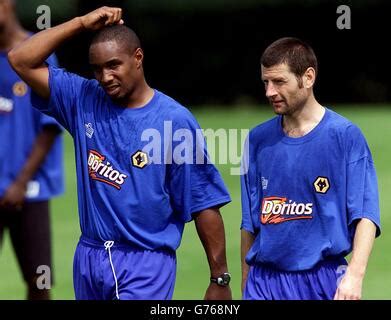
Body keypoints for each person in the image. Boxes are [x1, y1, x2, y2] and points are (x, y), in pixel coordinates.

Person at [8, 6, 232, 300]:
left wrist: (219, 278)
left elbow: (204, 201)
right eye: (97, 68)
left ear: (137, 58)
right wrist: (80, 23)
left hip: (145, 263)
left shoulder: (173, 121)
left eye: (114, 65)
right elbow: (20, 59)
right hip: (89, 258)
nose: (105, 76)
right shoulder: (82, 99)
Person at [240, 37, 381, 300]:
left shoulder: (345, 136)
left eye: (279, 82)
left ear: (308, 77)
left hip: (323, 280)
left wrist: (354, 277)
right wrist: (246, 280)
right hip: (264, 282)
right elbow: (249, 223)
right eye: (266, 82)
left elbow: (365, 215)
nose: (269, 91)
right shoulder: (257, 140)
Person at [0, 0, 64, 300]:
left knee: (39, 281)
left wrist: (21, 182)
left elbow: (50, 126)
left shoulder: (38, 50)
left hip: (30, 190)